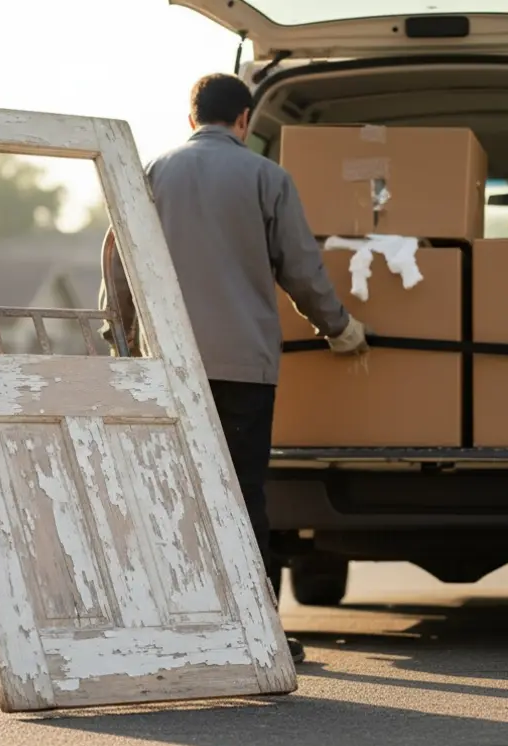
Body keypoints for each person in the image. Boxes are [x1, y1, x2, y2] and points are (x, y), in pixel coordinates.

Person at [100, 72, 368, 664]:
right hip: (243, 368)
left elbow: (118, 256)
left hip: (166, 366)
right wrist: (340, 328)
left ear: (190, 117)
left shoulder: (152, 173)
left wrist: (120, 336)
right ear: (245, 120)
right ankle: (256, 633)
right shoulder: (266, 177)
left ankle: (174, 626)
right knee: (242, 495)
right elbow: (301, 267)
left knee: (172, 495)